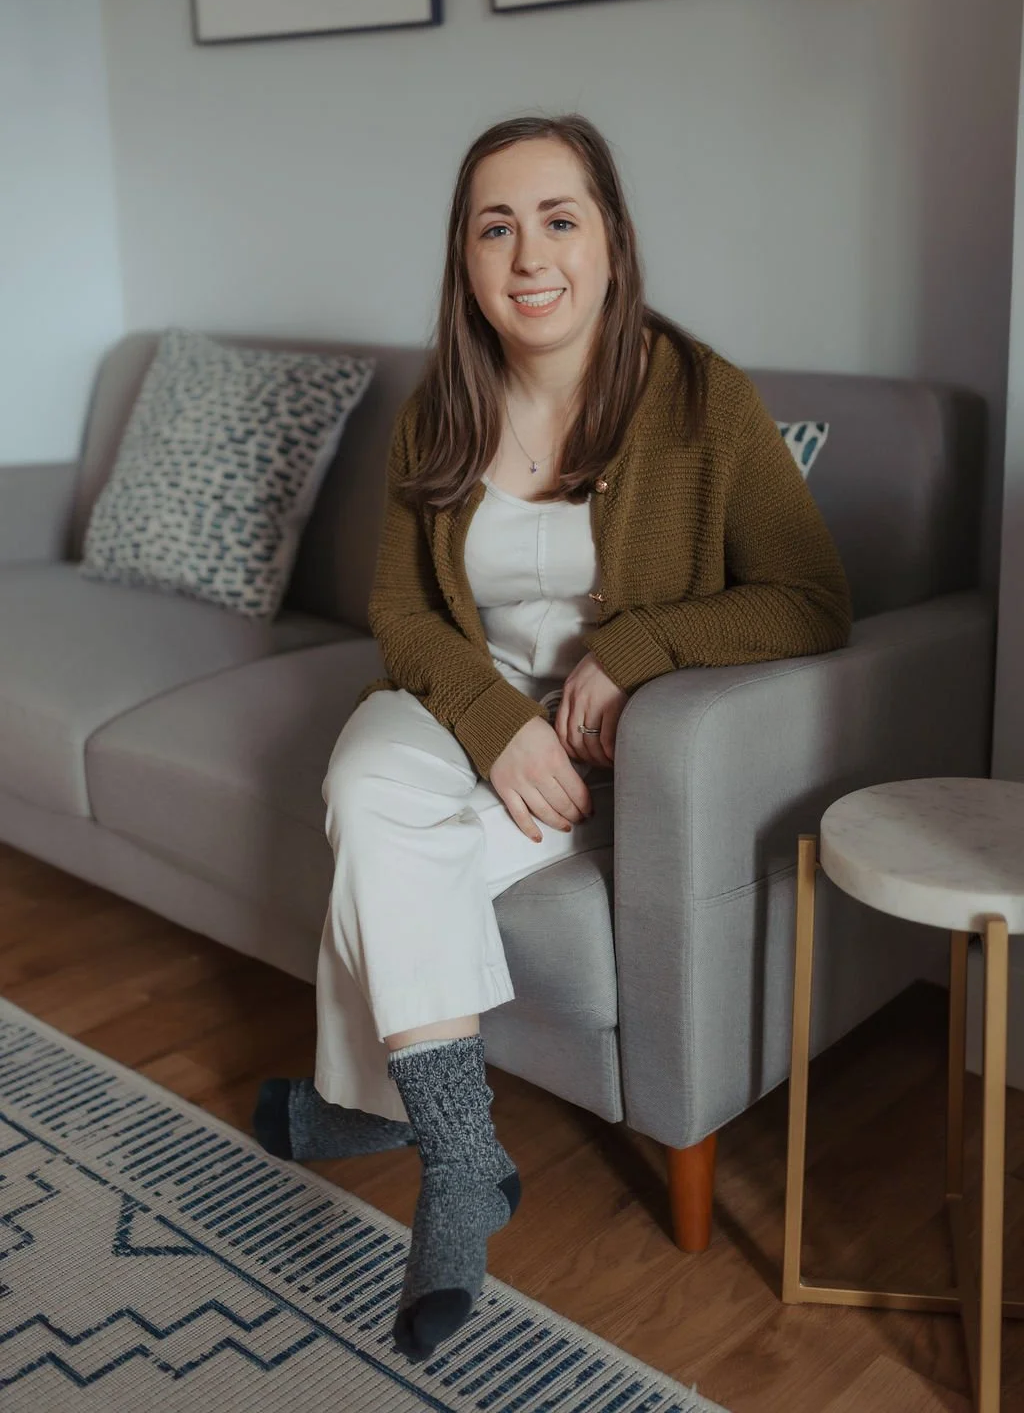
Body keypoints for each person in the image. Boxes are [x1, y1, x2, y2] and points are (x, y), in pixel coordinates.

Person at [252, 113, 852, 1363]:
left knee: (383, 839)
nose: (529, 254)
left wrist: (632, 653)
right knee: (366, 780)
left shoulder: (702, 402)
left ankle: (366, 1115)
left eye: (558, 218)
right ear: (466, 259)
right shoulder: (442, 411)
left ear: (613, 241)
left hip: (596, 745)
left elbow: (809, 600)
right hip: (464, 711)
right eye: (495, 225)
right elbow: (402, 613)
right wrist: (487, 719)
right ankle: (463, 1157)